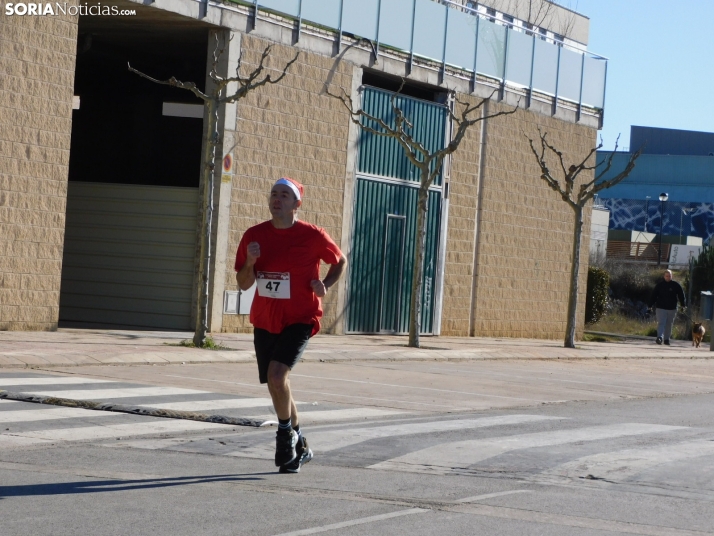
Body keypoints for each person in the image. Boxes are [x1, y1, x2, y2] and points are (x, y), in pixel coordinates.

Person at [235, 177, 346, 473]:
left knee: (277, 374)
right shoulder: (254, 236)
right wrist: (249, 261)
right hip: (265, 319)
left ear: (297, 204)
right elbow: (244, 284)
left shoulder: (312, 235)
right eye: (274, 194)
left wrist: (325, 284)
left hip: (301, 317)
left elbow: (340, 261)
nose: (277, 199)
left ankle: (285, 436)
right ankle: (300, 445)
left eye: (284, 195)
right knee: (277, 383)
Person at [648, 269, 685, 346]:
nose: (668, 277)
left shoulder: (676, 285)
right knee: (661, 322)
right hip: (660, 308)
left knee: (669, 324)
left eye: (669, 276)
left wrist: (683, 305)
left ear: (672, 276)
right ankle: (660, 337)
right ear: (664, 276)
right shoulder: (660, 285)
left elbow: (681, 296)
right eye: (666, 276)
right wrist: (650, 305)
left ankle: (667, 339)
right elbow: (653, 296)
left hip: (672, 308)